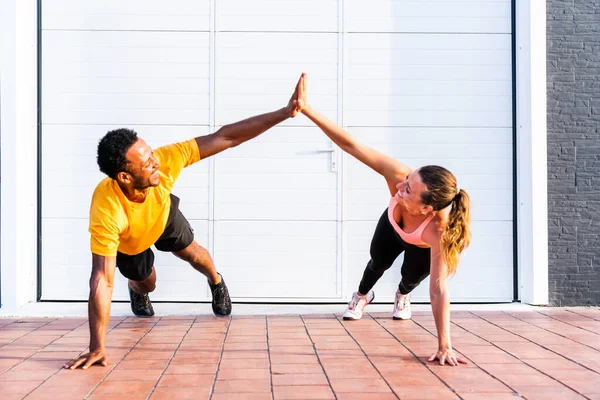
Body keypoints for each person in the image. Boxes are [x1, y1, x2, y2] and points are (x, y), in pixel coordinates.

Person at [64, 75, 305, 370]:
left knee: (195, 256)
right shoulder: (107, 207)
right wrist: (97, 347)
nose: (155, 163)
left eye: (151, 153)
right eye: (146, 162)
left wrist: (284, 112)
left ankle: (216, 282)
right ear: (125, 176)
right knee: (147, 282)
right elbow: (102, 278)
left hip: (162, 215)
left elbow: (226, 137)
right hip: (130, 240)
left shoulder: (165, 161)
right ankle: (138, 289)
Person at [298, 73, 471, 366]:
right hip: (393, 228)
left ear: (427, 208)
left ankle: (401, 295)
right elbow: (353, 146)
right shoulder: (399, 177)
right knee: (377, 262)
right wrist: (307, 109)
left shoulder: (439, 230)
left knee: (411, 278)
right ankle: (362, 296)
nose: (399, 188)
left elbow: (439, 289)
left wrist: (445, 345)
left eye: (408, 190)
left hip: (420, 243)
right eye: (406, 180)